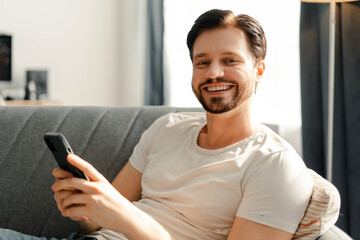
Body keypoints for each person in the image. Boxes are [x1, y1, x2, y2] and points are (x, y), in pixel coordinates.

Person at [0, 9, 313, 240]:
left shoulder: (275, 165)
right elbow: (99, 224)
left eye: (230, 60)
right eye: (202, 62)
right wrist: (86, 208)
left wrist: (123, 215)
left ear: (259, 70)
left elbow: (121, 215)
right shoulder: (168, 128)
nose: (213, 73)